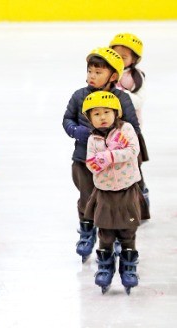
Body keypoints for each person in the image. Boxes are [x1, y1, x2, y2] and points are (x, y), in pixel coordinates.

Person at [62, 47, 147, 263]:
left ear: (114, 76)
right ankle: (87, 230)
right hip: (84, 160)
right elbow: (67, 120)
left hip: (116, 166)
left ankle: (118, 231)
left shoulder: (121, 98)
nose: (92, 76)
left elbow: (133, 128)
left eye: (98, 72)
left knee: (115, 200)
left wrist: (119, 141)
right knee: (87, 198)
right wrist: (76, 131)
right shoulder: (80, 95)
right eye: (90, 71)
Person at [81, 91, 143, 295]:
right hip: (105, 192)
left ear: (116, 112)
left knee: (127, 231)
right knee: (105, 232)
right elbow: (90, 163)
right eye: (96, 114)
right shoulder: (93, 138)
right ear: (90, 118)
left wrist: (110, 156)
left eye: (107, 112)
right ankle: (105, 266)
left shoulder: (126, 129)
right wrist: (97, 162)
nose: (102, 117)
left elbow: (133, 150)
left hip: (127, 189)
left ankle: (128, 266)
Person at [109, 32, 150, 207]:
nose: (118, 59)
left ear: (133, 60)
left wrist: (118, 92)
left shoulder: (135, 77)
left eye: (124, 57)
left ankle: (142, 199)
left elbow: (138, 101)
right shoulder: (107, 72)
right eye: (116, 54)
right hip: (108, 129)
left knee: (133, 166)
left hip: (130, 131)